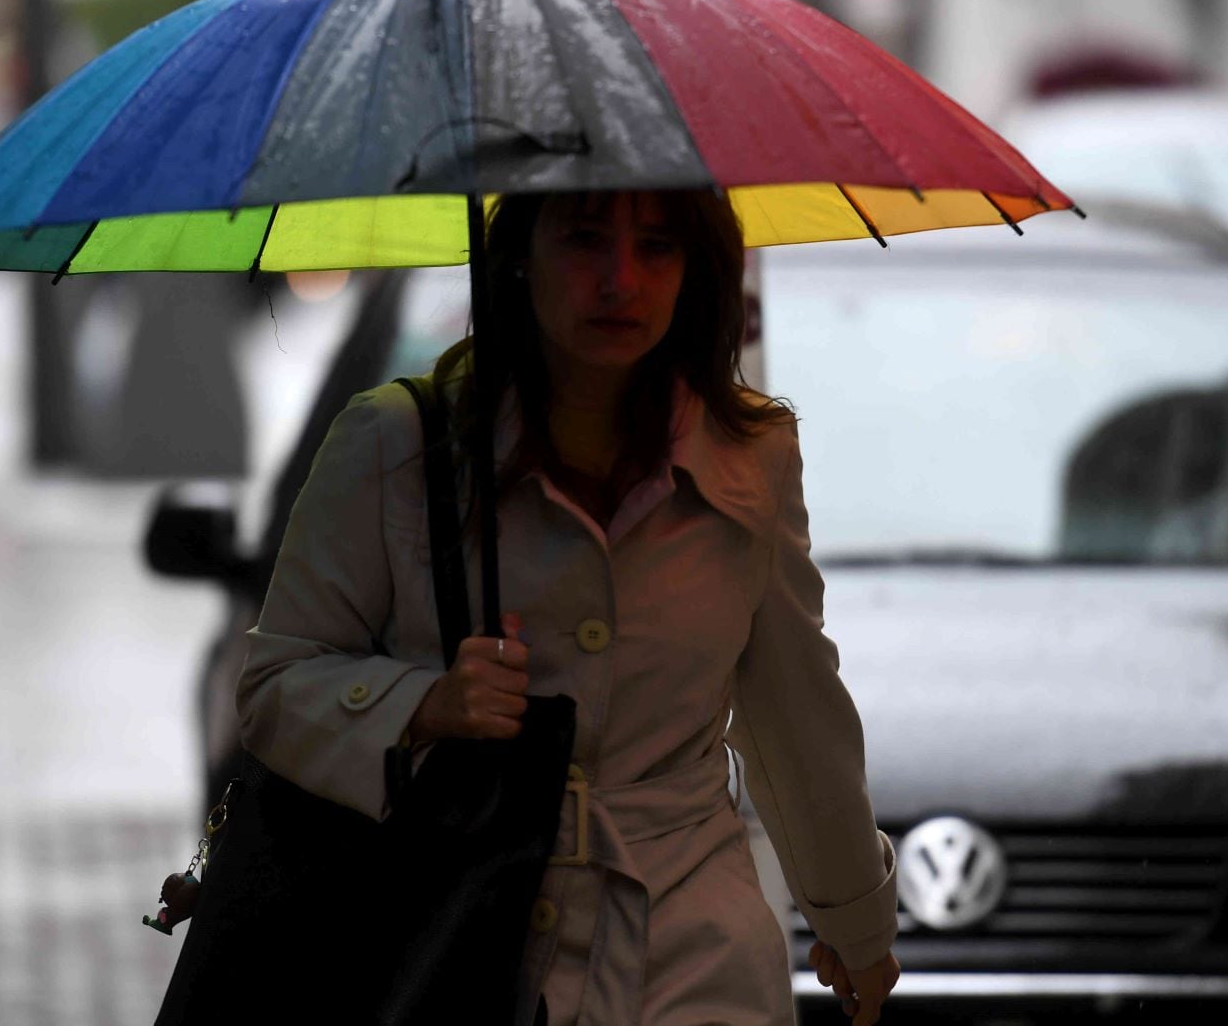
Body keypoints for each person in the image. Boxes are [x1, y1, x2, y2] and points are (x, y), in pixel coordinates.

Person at [235, 189, 902, 1025]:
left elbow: (796, 713)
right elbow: (275, 685)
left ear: (697, 271)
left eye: (657, 247)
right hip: (454, 939)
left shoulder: (751, 457)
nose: (620, 280)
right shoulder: (395, 447)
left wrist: (856, 919)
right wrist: (424, 704)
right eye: (585, 240)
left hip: (694, 950)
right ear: (520, 253)